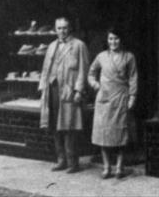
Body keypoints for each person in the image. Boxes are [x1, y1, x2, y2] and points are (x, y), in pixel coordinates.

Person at [38, 16, 90, 173]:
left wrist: (79, 91)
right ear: (55, 29)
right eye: (59, 28)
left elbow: (83, 69)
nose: (62, 31)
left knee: (69, 127)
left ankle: (73, 162)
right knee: (55, 126)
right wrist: (43, 89)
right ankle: (61, 160)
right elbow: (45, 69)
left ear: (70, 28)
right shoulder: (52, 46)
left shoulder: (79, 45)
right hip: (52, 90)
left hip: (68, 91)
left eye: (65, 28)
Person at [88, 26, 138, 179]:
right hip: (104, 99)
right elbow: (91, 74)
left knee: (120, 134)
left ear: (121, 40)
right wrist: (96, 85)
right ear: (107, 40)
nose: (113, 42)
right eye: (110, 39)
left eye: (116, 38)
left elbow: (133, 78)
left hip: (121, 97)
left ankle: (119, 167)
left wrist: (132, 97)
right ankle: (106, 166)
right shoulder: (101, 56)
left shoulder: (129, 57)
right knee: (104, 134)